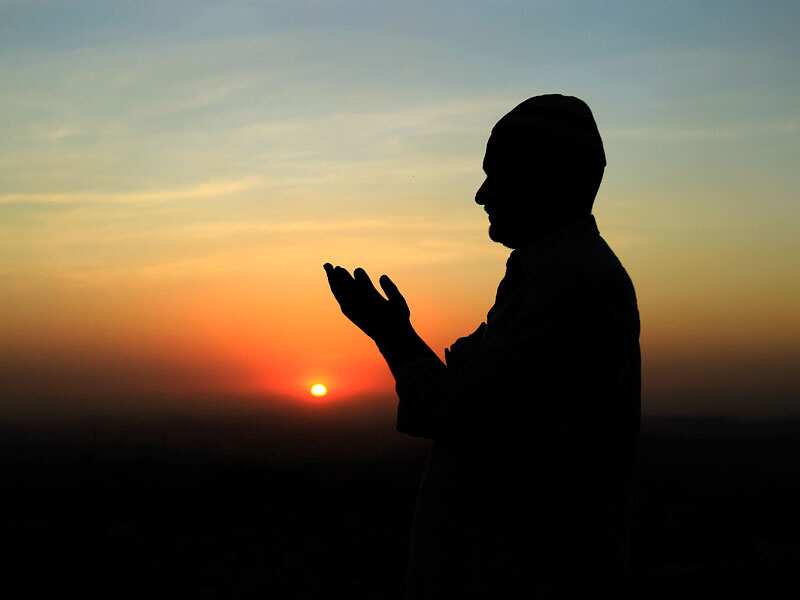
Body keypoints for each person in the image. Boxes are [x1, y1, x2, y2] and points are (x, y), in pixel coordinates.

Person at [323, 94, 640, 597]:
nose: (481, 194)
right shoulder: (555, 275)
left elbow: (457, 414)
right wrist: (394, 333)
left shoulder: (569, 283)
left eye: (498, 174)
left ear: (544, 178)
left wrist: (391, 335)